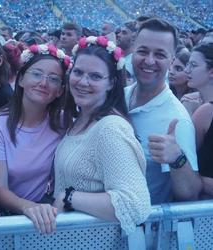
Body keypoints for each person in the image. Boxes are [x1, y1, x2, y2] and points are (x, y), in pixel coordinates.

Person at [53, 36, 151, 235]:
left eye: (95, 76)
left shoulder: (110, 129)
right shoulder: (80, 119)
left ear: (111, 83)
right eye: (78, 72)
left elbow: (134, 205)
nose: (83, 82)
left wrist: (68, 197)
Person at [0, 44, 72, 234]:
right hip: (13, 217)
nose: (44, 83)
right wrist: (30, 207)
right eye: (37, 74)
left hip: (51, 214)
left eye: (53, 79)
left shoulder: (64, 121)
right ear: (21, 79)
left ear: (60, 90)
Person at [125, 18, 202, 205]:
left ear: (172, 59)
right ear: (133, 51)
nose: (149, 61)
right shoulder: (120, 97)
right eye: (143, 51)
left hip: (141, 229)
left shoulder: (177, 120)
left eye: (160, 54)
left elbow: (190, 193)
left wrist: (177, 158)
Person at [184, 43, 213, 198]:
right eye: (187, 64)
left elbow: (187, 163)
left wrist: (187, 113)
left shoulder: (206, 111)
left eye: (193, 65)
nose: (186, 70)